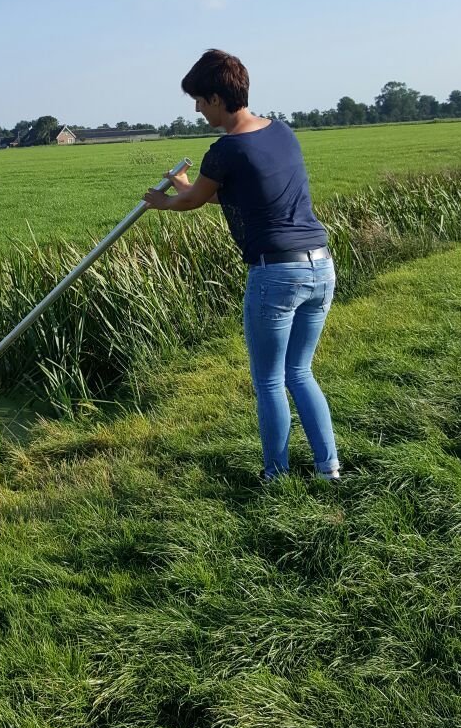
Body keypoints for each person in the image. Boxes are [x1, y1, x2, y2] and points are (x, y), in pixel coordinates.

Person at [143, 49, 340, 482]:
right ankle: (329, 469)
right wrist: (188, 188)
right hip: (320, 266)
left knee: (269, 381)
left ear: (217, 98)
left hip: (277, 273)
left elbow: (195, 201)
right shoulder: (281, 131)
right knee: (299, 372)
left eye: (199, 100)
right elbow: (241, 193)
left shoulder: (225, 149)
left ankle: (276, 476)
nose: (197, 109)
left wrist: (164, 202)